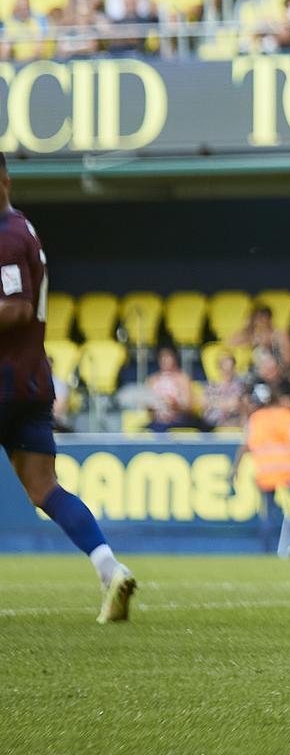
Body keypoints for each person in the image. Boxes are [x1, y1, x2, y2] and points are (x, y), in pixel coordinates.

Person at [0, 151, 136, 623]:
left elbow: (13, 308)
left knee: (44, 487)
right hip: (31, 381)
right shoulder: (25, 229)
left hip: (5, 378)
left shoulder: (7, 236)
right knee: (45, 489)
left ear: (4, 180)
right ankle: (109, 568)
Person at [231, 384, 290, 554]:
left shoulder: (255, 419)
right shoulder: (285, 415)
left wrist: (235, 468)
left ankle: (267, 551)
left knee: (268, 514)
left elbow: (244, 445)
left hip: (266, 473)